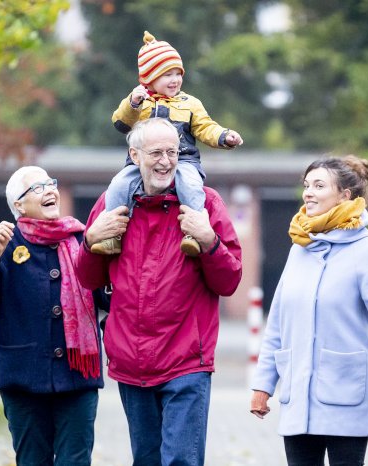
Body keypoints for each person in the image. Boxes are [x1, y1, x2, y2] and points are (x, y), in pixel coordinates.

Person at [75, 118, 242, 466]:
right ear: (134, 155)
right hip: (131, 361)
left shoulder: (205, 204)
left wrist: (209, 241)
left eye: (173, 152)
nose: (166, 161)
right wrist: (90, 243)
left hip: (186, 361)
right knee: (146, 460)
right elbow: (89, 281)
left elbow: (229, 282)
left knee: (181, 460)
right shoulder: (112, 204)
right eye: (156, 152)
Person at [249, 156, 368, 466]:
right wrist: (263, 385)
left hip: (346, 395)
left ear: (345, 195)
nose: (308, 192)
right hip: (297, 398)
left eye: (319, 185)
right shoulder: (299, 248)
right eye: (307, 185)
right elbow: (277, 323)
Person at [0, 166, 107, 465]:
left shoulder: (81, 241)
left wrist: (113, 265)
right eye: (37, 188)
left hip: (77, 378)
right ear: (18, 205)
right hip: (23, 380)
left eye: (51, 184)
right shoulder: (5, 245)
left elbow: (105, 295)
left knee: (75, 460)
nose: (50, 191)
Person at [92, 30, 244, 257]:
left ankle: (193, 232)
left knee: (190, 185)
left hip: (183, 159)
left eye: (178, 74)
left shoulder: (189, 103)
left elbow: (205, 127)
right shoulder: (140, 102)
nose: (175, 80)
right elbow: (120, 123)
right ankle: (113, 235)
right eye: (167, 75)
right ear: (149, 78)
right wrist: (132, 104)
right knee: (118, 185)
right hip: (141, 163)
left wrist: (224, 136)